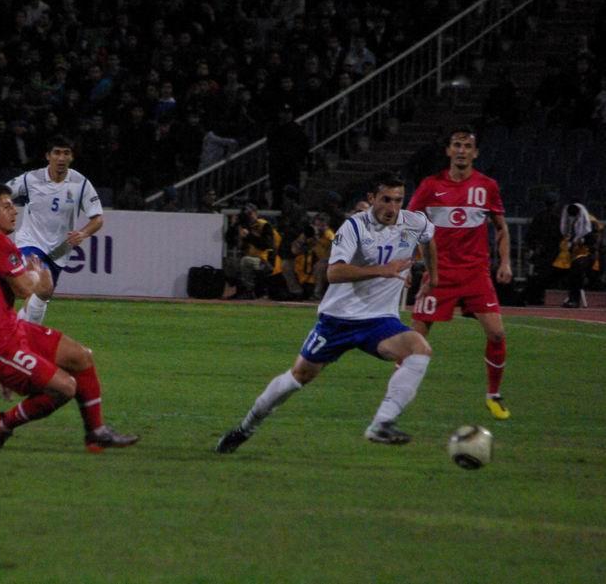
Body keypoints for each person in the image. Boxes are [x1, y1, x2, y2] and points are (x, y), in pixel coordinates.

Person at [216, 172, 437, 453]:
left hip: (380, 321)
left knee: (420, 349)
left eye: (398, 200)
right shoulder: (354, 226)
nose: (392, 207)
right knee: (298, 377)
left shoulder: (414, 222)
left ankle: (382, 423)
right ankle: (245, 427)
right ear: (371, 198)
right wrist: (382, 270)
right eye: (385, 199)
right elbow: (334, 272)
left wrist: (433, 277)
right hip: (338, 320)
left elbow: (428, 238)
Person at [0, 183, 138, 452]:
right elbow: (24, 289)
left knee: (80, 357)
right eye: (6, 206)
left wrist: (35, 281)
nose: (14, 211)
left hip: (11, 330)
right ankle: (5, 423)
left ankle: (97, 432)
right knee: (65, 387)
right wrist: (37, 277)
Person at [407, 126, 513, 421]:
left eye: (467, 146)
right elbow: (411, 226)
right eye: (457, 145)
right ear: (448, 151)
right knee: (415, 338)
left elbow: (501, 228)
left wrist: (505, 262)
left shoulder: (487, 186)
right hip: (438, 274)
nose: (462, 151)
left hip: (476, 274)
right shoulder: (430, 186)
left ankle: (493, 395)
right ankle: (397, 396)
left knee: (497, 333)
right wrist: (408, 263)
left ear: (475, 153)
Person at [5, 135, 104, 324]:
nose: (61, 158)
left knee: (41, 298)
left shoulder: (80, 183)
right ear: (48, 156)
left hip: (59, 251)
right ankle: (17, 332)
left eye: (66, 153)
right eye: (57, 153)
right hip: (30, 243)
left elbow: (98, 219)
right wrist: (5, 210)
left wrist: (83, 233)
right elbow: (3, 193)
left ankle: (18, 331)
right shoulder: (31, 179)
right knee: (36, 284)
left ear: (72, 157)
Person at [224, 202, 276, 299]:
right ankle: (239, 290)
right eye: (246, 215)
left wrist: (249, 236)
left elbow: (266, 245)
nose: (248, 217)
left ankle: (249, 291)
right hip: (248, 258)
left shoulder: (264, 225)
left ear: (256, 213)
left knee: (246, 261)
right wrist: (233, 225)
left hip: (263, 260)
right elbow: (229, 240)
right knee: (229, 262)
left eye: (250, 214)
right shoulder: (243, 226)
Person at [556, 202, 603, 308]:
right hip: (571, 254)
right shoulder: (570, 220)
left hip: (588, 255)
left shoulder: (591, 222)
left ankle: (574, 299)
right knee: (549, 266)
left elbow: (594, 243)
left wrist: (581, 241)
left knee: (577, 266)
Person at [524, 192, 562, 305]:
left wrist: (534, 247)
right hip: (550, 252)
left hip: (544, 251)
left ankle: (537, 297)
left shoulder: (540, 216)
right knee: (542, 275)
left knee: (540, 275)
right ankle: (537, 297)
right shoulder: (558, 218)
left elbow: (530, 236)